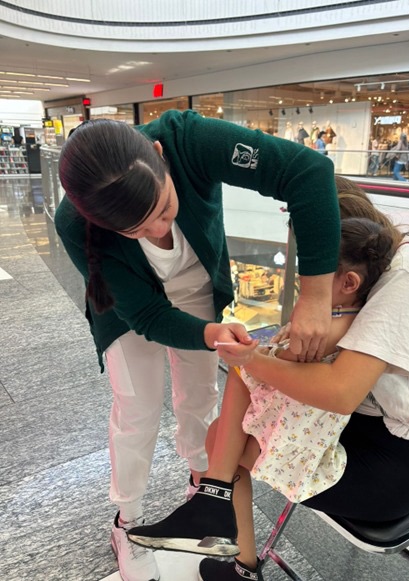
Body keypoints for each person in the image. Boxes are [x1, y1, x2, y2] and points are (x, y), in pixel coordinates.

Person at [127, 176, 409, 580]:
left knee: (226, 430)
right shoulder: (374, 274)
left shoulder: (407, 280)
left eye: (312, 266)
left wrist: (251, 360)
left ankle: (219, 518)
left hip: (393, 464)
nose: (307, 281)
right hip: (361, 424)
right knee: (223, 432)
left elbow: (341, 392)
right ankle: (219, 517)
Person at [54, 110, 340, 581]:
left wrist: (315, 296)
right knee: (137, 409)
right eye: (135, 230)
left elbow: (307, 171)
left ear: (160, 156)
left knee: (200, 397)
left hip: (196, 284)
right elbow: (146, 314)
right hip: (126, 306)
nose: (157, 231)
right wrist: (208, 334)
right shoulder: (74, 222)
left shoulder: (189, 139)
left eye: (164, 209)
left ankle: (202, 495)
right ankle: (126, 521)